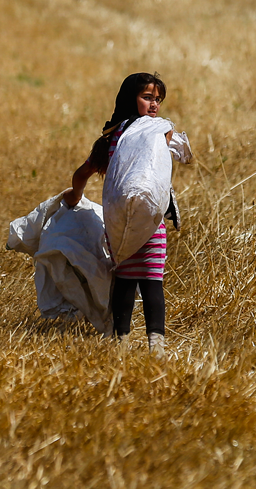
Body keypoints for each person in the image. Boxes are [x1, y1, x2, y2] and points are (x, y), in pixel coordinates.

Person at [65, 72, 184, 352]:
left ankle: (121, 343)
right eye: (147, 98)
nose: (154, 105)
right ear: (131, 98)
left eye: (158, 100)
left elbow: (83, 173)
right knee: (151, 280)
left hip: (118, 221)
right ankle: (156, 346)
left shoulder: (112, 137)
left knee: (126, 280)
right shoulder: (157, 131)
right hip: (150, 221)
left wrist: (75, 195)